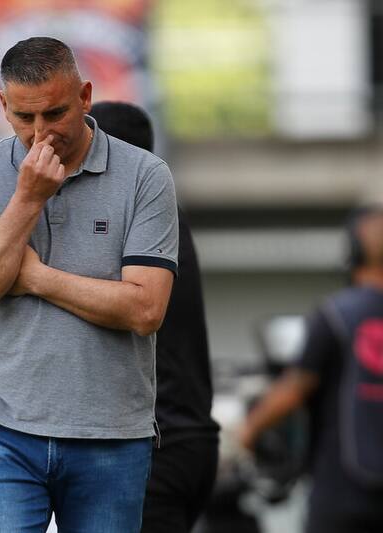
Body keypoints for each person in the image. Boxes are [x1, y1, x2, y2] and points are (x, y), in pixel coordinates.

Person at [0, 37, 179, 532]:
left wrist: (35, 276)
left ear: (86, 97)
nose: (41, 134)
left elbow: (145, 309)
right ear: (2, 106)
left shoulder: (145, 176)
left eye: (54, 114)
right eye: (24, 118)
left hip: (111, 432)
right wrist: (28, 198)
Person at [89, 101, 220, 533]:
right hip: (186, 440)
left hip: (156, 447)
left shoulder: (137, 220)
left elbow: (133, 311)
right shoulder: (163, 220)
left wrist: (32, 275)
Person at [239, 205, 383, 533]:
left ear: (354, 252)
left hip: (343, 492)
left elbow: (294, 389)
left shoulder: (335, 315)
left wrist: (247, 432)